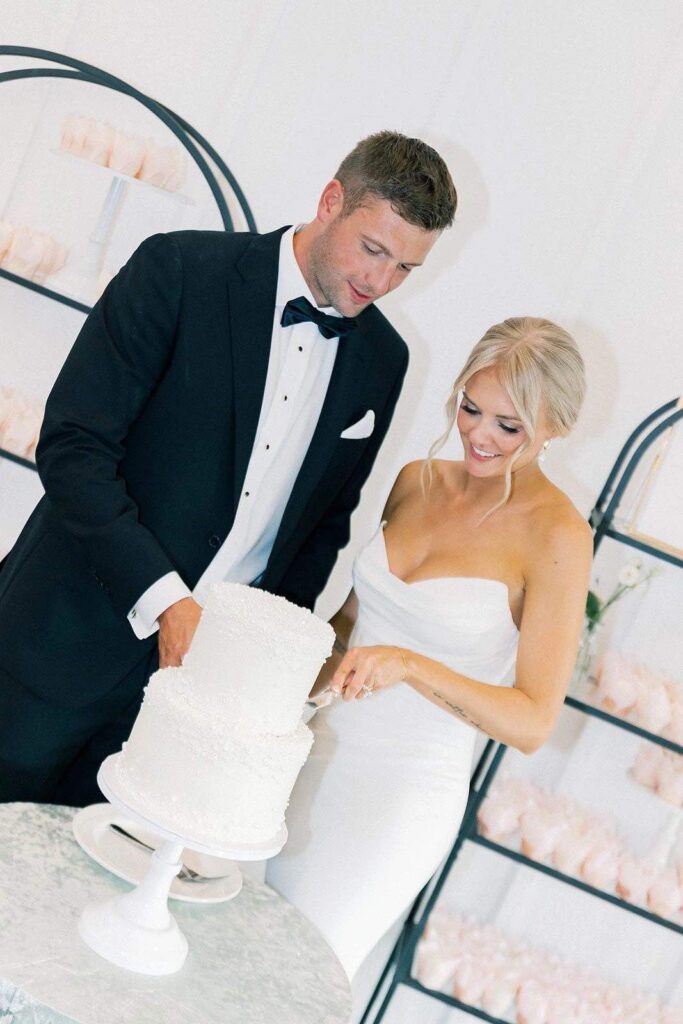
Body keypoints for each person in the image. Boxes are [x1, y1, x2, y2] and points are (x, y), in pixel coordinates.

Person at [0, 131, 457, 806]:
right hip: (56, 646)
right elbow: (74, 447)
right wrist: (167, 602)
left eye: (404, 270)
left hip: (190, 704)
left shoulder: (384, 361)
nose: (380, 282)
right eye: (373, 250)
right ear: (331, 201)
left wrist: (254, 672)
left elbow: (321, 529)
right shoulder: (179, 269)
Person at [266, 316, 593, 980]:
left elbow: (531, 722)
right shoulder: (416, 480)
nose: (477, 433)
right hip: (306, 757)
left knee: (299, 980)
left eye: (509, 425)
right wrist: (274, 688)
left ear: (554, 427)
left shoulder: (557, 536)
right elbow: (350, 623)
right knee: (235, 949)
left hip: (398, 793)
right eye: (471, 407)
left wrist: (411, 666)